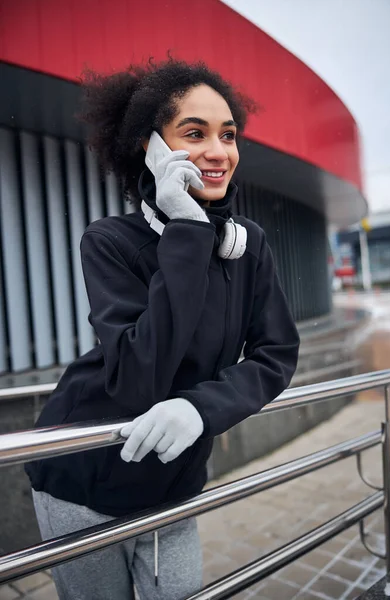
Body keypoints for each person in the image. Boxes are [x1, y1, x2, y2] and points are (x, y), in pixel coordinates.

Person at [25, 57, 300, 600]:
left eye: (228, 134)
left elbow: (276, 354)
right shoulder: (109, 241)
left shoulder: (249, 244)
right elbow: (135, 378)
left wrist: (202, 408)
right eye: (193, 134)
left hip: (174, 482)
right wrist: (188, 230)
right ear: (151, 149)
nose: (218, 152)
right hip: (84, 474)